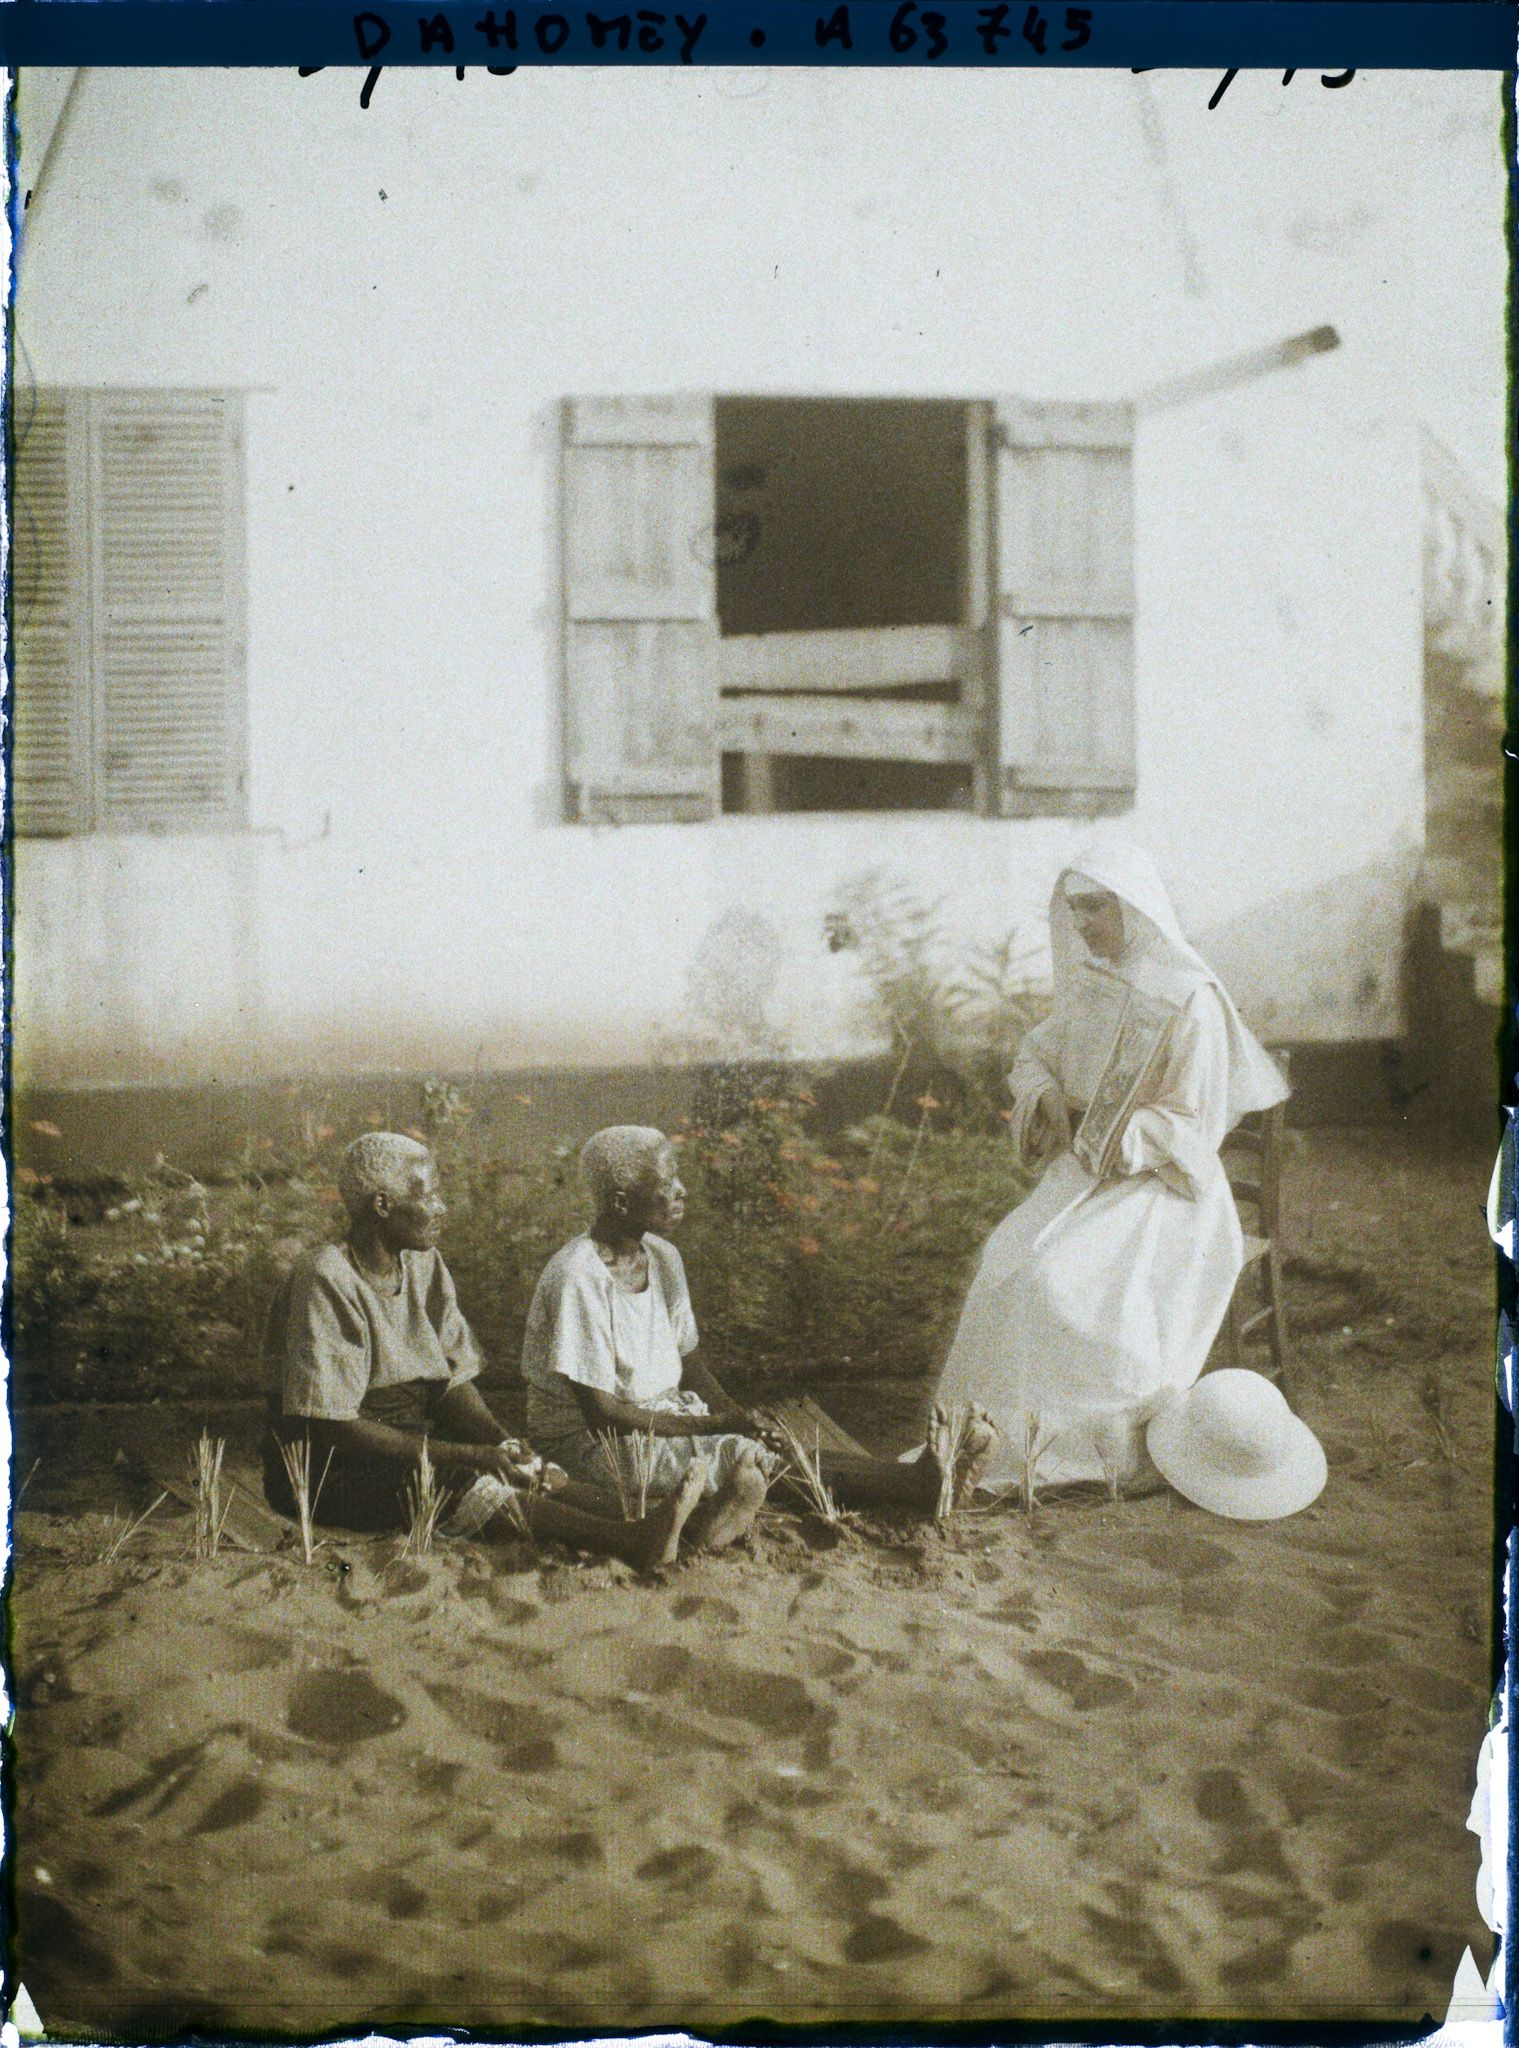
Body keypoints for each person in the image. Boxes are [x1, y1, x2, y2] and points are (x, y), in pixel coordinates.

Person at [933, 838, 1290, 1493]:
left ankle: (1105, 1446)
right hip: (1085, 1177)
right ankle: (1006, 1436)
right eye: (1073, 911)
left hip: (1163, 1187)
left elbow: (1195, 1126)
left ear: (1133, 908)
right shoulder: (1096, 986)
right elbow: (1032, 1055)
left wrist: (1118, 1135)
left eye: (1094, 908)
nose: (1081, 925)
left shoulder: (1190, 1000)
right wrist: (1048, 1101)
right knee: (1005, 1258)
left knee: (1060, 1281)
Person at [523, 1125, 999, 1540]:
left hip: (658, 1419)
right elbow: (604, 1416)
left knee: (767, 1446)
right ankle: (913, 1486)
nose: (682, 1191)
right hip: (590, 1446)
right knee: (738, 1452)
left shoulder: (664, 1259)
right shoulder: (578, 1277)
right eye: (667, 1184)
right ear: (622, 1201)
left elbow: (689, 1364)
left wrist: (742, 1416)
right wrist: (720, 1426)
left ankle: (905, 1480)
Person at [262, 1132, 707, 1568]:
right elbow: (337, 1429)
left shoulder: (422, 1262)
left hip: (407, 1444)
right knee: (466, 1480)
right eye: (430, 1196)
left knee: (531, 1470)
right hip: (330, 1468)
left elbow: (453, 1383)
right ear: (382, 1206)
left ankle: (671, 1524)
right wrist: (469, 1454)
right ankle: (628, 1541)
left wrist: (502, 1442)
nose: (441, 1209)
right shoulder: (326, 1277)